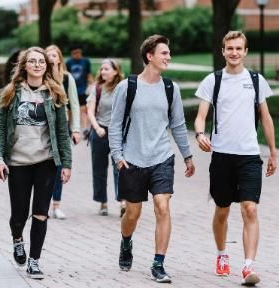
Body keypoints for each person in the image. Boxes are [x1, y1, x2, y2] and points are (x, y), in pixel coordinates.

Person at [109, 34, 195, 283]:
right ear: (150, 56)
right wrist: (117, 155)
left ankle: (158, 263)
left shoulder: (171, 88)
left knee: (162, 206)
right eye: (164, 53)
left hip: (161, 157)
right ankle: (126, 242)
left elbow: (178, 125)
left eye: (168, 53)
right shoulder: (127, 87)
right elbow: (114, 125)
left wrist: (187, 155)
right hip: (132, 159)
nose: (169, 57)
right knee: (132, 215)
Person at [194, 31, 277, 286]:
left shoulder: (255, 80)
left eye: (238, 48)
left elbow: (265, 118)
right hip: (222, 156)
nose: (234, 52)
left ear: (245, 51)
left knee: (250, 208)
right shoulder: (213, 80)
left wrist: (273, 152)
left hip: (250, 155)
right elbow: (201, 116)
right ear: (223, 51)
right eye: (229, 48)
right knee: (222, 210)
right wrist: (198, 134)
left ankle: (248, 265)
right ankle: (221, 254)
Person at [0, 47, 72, 279]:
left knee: (40, 213)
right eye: (32, 61)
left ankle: (34, 261)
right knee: (19, 214)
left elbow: (62, 133)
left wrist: (66, 164)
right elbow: (0, 130)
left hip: (46, 162)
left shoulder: (55, 94)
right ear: (24, 65)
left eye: (41, 62)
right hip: (17, 163)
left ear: (46, 66)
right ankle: (18, 239)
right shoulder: (11, 93)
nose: (37, 65)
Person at [46, 44, 80, 219]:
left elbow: (74, 104)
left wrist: (76, 129)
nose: (51, 57)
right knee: (44, 165)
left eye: (54, 55)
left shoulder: (67, 78)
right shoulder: (41, 78)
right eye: (48, 55)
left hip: (62, 128)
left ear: (59, 58)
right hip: (43, 128)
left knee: (59, 166)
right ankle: (42, 204)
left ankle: (56, 205)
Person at [87, 58, 125, 217]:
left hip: (118, 134)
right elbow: (90, 111)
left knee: (121, 168)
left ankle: (123, 201)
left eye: (106, 69)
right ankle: (102, 202)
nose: (103, 72)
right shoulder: (96, 88)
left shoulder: (123, 88)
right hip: (100, 132)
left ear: (116, 71)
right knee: (99, 170)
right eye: (101, 69)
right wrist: (97, 128)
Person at [66, 45, 93, 139]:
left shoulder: (86, 61)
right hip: (71, 90)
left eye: (79, 52)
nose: (77, 54)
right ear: (72, 53)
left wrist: (91, 86)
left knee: (83, 109)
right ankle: (68, 128)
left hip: (82, 89)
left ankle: (85, 129)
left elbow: (89, 74)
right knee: (70, 110)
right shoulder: (69, 62)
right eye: (75, 53)